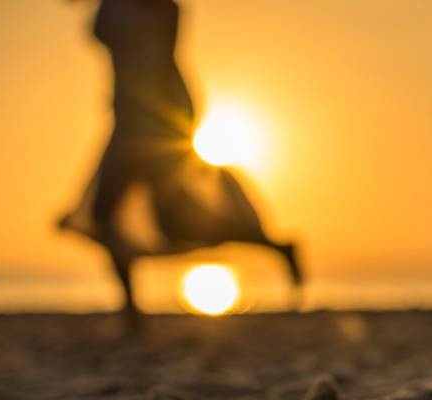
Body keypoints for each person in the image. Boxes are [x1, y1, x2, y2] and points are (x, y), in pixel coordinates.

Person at [60, 0, 303, 324]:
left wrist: (176, 121)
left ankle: (276, 247)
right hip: (127, 120)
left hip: (155, 122)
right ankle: (131, 311)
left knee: (174, 220)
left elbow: (164, 60)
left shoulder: (160, 10)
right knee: (107, 214)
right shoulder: (120, 6)